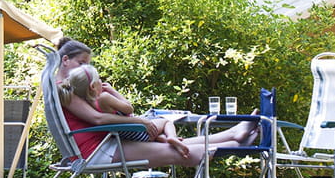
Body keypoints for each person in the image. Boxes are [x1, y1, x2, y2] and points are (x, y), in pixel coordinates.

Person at [55, 39, 258, 168]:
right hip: (97, 149)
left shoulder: (70, 86)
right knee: (176, 152)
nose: (85, 68)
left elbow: (99, 112)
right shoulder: (63, 88)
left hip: (108, 138)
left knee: (173, 143)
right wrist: (140, 122)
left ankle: (235, 134)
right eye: (81, 63)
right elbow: (98, 118)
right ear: (65, 60)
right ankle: (237, 146)